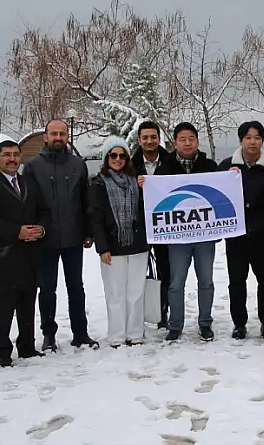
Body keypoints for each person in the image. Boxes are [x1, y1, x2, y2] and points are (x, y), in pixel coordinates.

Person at [23, 119, 98, 351]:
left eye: (62, 134)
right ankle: (49, 334)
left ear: (68, 137)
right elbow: (29, 203)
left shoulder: (78, 165)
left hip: (73, 237)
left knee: (76, 287)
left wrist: (88, 231)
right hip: (45, 239)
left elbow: (85, 201)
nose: (58, 138)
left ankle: (80, 333)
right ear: (45, 137)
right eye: (54, 133)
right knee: (47, 289)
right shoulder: (33, 166)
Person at [0, 140, 49, 368]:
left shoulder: (29, 183)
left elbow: (44, 211)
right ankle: (2, 351)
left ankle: (26, 346)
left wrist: (41, 228)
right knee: (3, 308)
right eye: (6, 154)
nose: (12, 159)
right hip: (3, 255)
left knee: (27, 304)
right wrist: (16, 232)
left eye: (16, 155)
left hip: (29, 255)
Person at [158, 122, 219, 342]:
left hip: (204, 236)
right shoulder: (164, 168)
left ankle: (205, 323)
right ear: (175, 142)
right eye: (182, 139)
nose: (187, 143)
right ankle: (175, 325)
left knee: (206, 281)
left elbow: (221, 195)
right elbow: (156, 198)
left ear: (197, 141)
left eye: (191, 138)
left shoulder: (210, 166)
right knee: (176, 283)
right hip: (177, 237)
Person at [88, 138, 150, 348]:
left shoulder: (136, 180)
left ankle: (135, 333)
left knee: (136, 291)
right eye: (113, 155)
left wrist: (145, 189)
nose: (118, 159)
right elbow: (95, 218)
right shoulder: (99, 183)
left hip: (137, 243)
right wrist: (102, 247)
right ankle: (116, 335)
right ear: (107, 158)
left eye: (122, 155)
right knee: (115, 293)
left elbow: (147, 209)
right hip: (113, 246)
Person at [220, 121, 264, 340]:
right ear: (241, 140)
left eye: (257, 137)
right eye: (248, 137)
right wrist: (226, 179)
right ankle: (239, 323)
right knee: (236, 282)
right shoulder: (226, 166)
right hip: (236, 237)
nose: (252, 142)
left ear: (262, 140)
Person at [131, 120, 178, 329]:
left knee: (166, 271)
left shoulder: (171, 162)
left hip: (166, 226)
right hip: (139, 227)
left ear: (159, 139)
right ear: (139, 140)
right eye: (145, 138)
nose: (149, 141)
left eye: (153, 137)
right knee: (139, 274)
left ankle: (163, 313)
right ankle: (137, 316)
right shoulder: (130, 164)